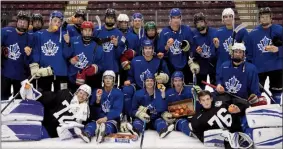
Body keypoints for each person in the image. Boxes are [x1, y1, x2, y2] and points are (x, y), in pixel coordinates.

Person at [74, 70, 124, 143]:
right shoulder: (97, 91)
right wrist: (97, 101)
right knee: (91, 125)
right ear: (103, 80)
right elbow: (92, 111)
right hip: (98, 119)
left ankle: (103, 133)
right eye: (106, 78)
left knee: (109, 126)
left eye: (110, 78)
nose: (108, 80)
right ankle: (87, 134)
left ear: (114, 80)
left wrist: (106, 118)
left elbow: (117, 110)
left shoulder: (118, 93)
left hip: (111, 119)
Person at [247, 7, 283, 104]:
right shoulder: (253, 34)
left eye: (267, 16)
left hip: (276, 67)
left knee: (277, 93)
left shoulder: (280, 30)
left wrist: (278, 49)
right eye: (262, 17)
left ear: (271, 18)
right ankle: (259, 113)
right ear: (259, 19)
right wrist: (250, 67)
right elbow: (249, 53)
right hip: (259, 68)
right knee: (257, 94)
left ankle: (275, 111)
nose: (265, 19)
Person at [30, 10, 70, 92]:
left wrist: (67, 43)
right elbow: (36, 52)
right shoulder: (39, 34)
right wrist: (35, 65)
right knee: (44, 98)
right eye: (55, 21)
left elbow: (67, 55)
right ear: (50, 21)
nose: (57, 23)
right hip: (44, 72)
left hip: (61, 73)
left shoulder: (64, 35)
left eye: (59, 22)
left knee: (62, 99)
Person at [129, 72, 174, 138]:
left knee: (160, 123)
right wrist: (139, 114)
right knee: (137, 123)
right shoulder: (138, 94)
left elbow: (163, 108)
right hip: (143, 119)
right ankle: (136, 131)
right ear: (144, 82)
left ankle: (163, 131)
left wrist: (163, 96)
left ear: (154, 82)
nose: (149, 82)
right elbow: (132, 110)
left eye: (151, 80)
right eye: (147, 80)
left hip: (155, 118)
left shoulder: (160, 92)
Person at [1, 11, 33, 100]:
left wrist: (28, 55)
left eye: (25, 22)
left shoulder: (30, 37)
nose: (22, 24)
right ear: (17, 22)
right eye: (20, 21)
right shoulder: (5, 32)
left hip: (20, 76)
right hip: (5, 73)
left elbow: (28, 61)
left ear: (28, 24)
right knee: (2, 100)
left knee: (19, 101)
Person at [158, 8, 194, 85]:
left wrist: (188, 48)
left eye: (178, 17)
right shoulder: (164, 32)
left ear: (181, 18)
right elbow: (160, 52)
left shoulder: (187, 30)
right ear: (170, 19)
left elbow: (192, 47)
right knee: (172, 88)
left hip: (185, 64)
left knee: (187, 88)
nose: (176, 20)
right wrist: (167, 46)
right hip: (170, 65)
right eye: (174, 17)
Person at [67, 21, 104, 92]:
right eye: (85, 30)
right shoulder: (73, 40)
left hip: (89, 80)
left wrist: (95, 68)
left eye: (89, 30)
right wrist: (70, 60)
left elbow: (101, 64)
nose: (87, 32)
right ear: (81, 31)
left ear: (92, 32)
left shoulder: (97, 46)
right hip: (73, 78)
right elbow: (66, 55)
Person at [164, 71, 201, 136]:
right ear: (172, 82)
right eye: (175, 81)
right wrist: (166, 114)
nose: (178, 83)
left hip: (191, 116)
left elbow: (199, 106)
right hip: (178, 119)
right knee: (182, 123)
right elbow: (165, 107)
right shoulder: (168, 93)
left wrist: (199, 96)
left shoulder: (191, 90)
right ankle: (191, 133)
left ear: (183, 81)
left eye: (179, 80)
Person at [213, 8, 249, 73]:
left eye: (230, 16)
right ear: (223, 19)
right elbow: (214, 53)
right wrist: (216, 47)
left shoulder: (241, 30)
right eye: (225, 17)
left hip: (238, 65)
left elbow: (247, 47)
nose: (228, 18)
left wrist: (241, 46)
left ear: (233, 17)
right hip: (222, 65)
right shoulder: (218, 32)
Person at [93, 8, 126, 77]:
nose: (110, 19)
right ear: (105, 18)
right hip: (98, 68)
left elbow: (120, 55)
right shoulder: (96, 31)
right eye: (108, 17)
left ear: (115, 19)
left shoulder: (119, 34)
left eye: (112, 18)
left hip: (112, 68)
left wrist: (116, 46)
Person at [191, 12, 217, 89]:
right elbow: (191, 51)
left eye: (201, 21)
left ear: (205, 22)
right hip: (201, 66)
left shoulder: (215, 32)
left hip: (213, 65)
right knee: (200, 90)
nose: (200, 24)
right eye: (197, 22)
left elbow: (218, 49)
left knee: (216, 89)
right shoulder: (193, 33)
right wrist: (196, 52)